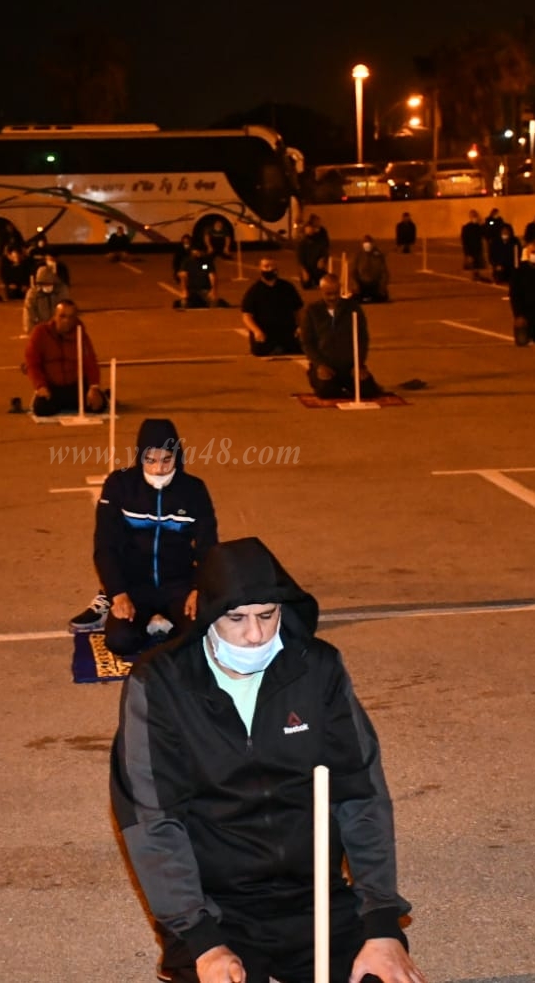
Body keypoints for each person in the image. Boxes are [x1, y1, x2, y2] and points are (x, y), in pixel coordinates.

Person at [111, 536, 429, 983]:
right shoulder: (159, 683)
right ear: (203, 612)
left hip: (315, 895)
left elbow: (362, 795)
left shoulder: (318, 668)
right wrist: (201, 939)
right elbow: (151, 820)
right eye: (236, 618)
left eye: (267, 615)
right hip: (216, 906)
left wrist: (380, 924)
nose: (256, 634)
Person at [93, 418, 218, 656]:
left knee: (203, 637)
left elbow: (208, 545)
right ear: (140, 457)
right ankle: (151, 624)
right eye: (150, 461)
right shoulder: (119, 485)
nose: (158, 468)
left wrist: (198, 588)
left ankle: (167, 625)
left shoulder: (194, 489)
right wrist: (118, 592)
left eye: (166, 460)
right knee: (120, 641)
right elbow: (105, 545)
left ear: (177, 457)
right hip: (134, 585)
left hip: (178, 583)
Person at [300, 274, 381, 400]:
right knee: (327, 392)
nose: (332, 297)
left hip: (350, 366)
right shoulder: (312, 310)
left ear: (340, 290)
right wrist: (320, 365)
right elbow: (307, 342)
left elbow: (362, 339)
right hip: (325, 366)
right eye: (328, 294)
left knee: (368, 391)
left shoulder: (353, 308)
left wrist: (358, 364)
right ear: (321, 291)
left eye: (335, 293)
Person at [25, 301, 107, 417]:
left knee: (98, 405)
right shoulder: (40, 333)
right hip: (52, 386)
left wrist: (94, 387)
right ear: (54, 316)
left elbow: (90, 361)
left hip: (76, 385)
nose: (66, 321)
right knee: (41, 409)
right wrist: (40, 386)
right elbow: (32, 363)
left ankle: (100, 396)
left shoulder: (81, 334)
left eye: (71, 317)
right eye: (62, 316)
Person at [239, 258, 303, 357]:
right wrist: (256, 331)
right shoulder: (254, 291)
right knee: (260, 350)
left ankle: (282, 347)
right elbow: (246, 316)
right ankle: (278, 348)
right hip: (265, 332)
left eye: (272, 266)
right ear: (260, 269)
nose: (269, 269)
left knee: (303, 346)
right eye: (266, 266)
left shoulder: (287, 287)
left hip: (286, 330)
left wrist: (300, 327)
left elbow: (298, 309)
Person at [23, 263, 69, 335]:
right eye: (45, 284)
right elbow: (28, 312)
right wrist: (31, 330)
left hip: (58, 327)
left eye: (49, 284)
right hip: (41, 327)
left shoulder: (61, 291)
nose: (47, 287)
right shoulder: (33, 294)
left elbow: (66, 310)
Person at [352, 235, 390, 303]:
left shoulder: (378, 256)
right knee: (355, 298)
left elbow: (384, 273)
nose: (367, 245)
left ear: (373, 244)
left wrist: (382, 286)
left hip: (375, 284)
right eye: (365, 243)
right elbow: (353, 272)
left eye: (369, 243)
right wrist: (356, 285)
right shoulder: (358, 256)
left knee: (382, 297)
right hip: (362, 284)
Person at [296, 217, 330, 290]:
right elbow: (300, 259)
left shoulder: (320, 238)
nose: (309, 230)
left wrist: (323, 259)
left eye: (310, 228)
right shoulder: (302, 243)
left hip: (317, 267)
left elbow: (325, 250)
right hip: (307, 268)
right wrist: (304, 271)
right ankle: (309, 279)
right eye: (307, 229)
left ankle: (317, 279)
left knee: (323, 283)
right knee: (306, 285)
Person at [487, 222, 522, 286]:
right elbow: (491, 255)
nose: (505, 234)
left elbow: (518, 255)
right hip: (499, 267)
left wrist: (516, 268)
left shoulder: (515, 241)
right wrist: (496, 264)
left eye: (507, 232)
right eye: (503, 232)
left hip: (512, 267)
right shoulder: (495, 242)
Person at [461, 210, 488, 279]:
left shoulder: (479, 227)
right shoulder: (466, 228)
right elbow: (464, 241)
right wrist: (467, 252)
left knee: (477, 264)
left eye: (475, 216)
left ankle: (476, 274)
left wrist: (483, 224)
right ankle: (473, 275)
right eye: (473, 216)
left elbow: (485, 234)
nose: (475, 218)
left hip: (478, 249)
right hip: (470, 248)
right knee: (471, 263)